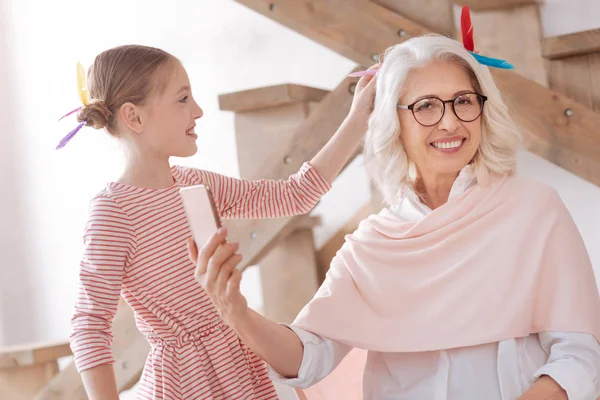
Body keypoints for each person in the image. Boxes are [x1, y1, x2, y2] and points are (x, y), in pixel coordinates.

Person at [190, 34, 600, 400]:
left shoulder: (535, 210)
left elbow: (580, 353)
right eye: (425, 106)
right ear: (393, 122)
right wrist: (236, 312)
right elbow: (309, 357)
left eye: (463, 101)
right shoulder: (371, 244)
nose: (450, 121)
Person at [65, 44, 376, 399]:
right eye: (183, 99)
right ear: (134, 117)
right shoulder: (113, 212)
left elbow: (296, 194)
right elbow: (89, 325)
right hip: (185, 385)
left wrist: (357, 120)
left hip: (240, 365)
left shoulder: (197, 185)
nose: (197, 111)